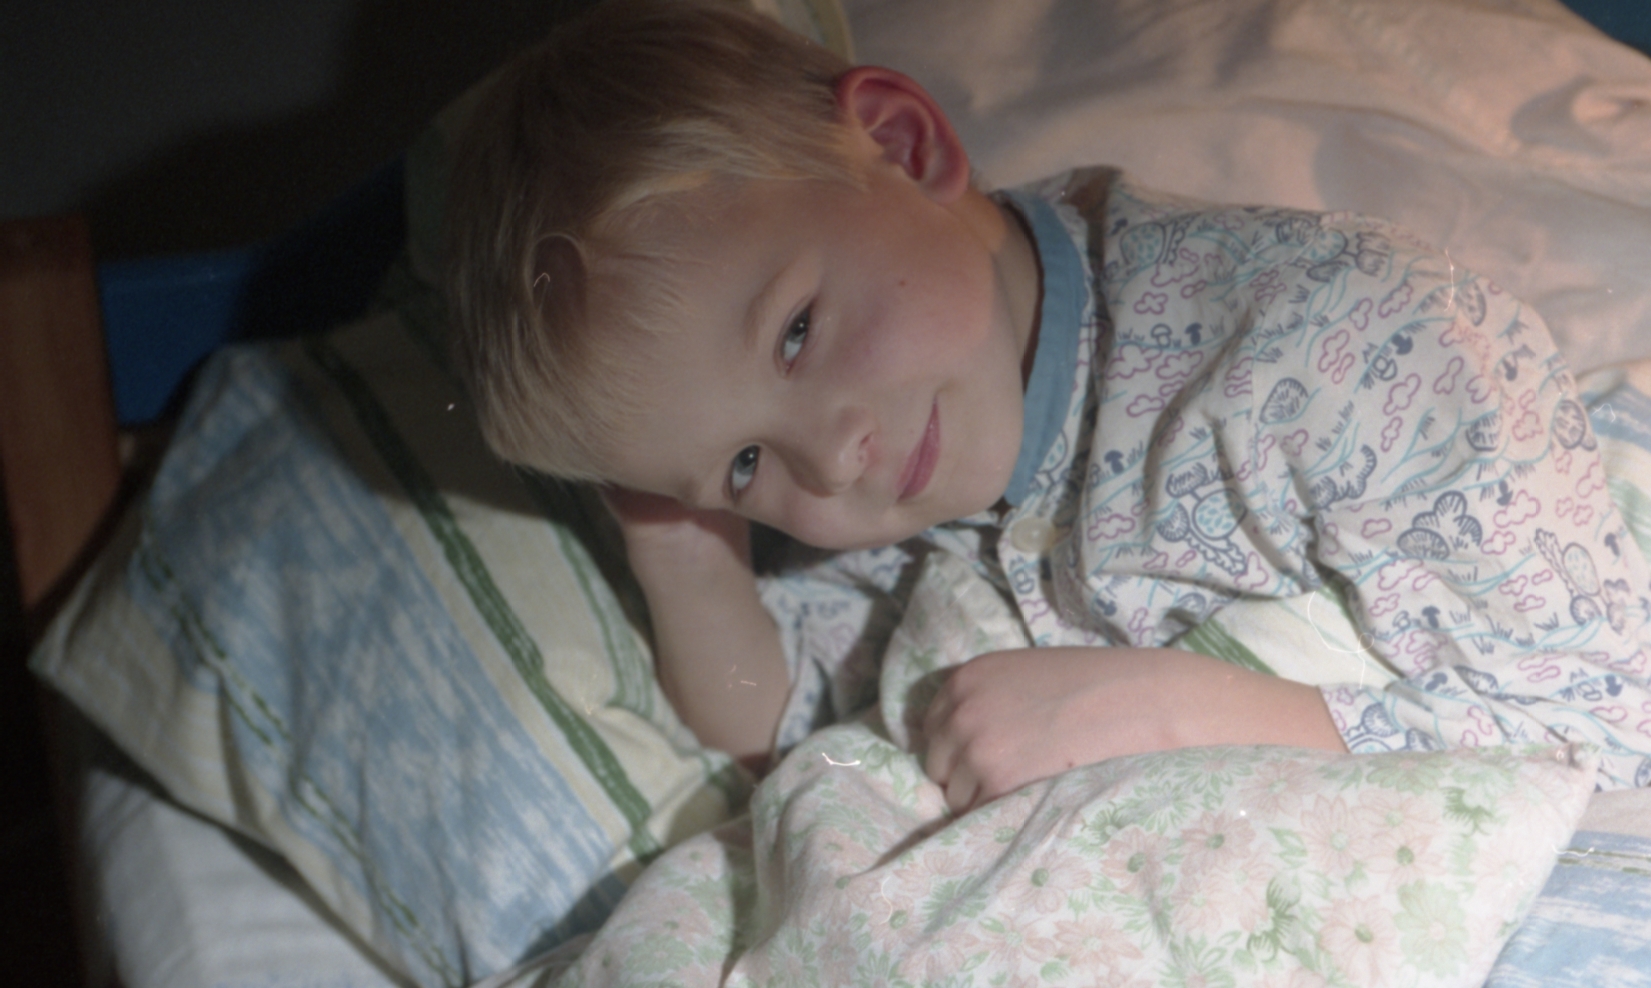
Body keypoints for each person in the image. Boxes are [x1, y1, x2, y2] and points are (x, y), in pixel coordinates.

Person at [444, 0, 1651, 809]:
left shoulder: (1344, 347)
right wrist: (680, 542)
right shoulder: (917, 496)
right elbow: (773, 725)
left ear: (904, 145)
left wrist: (1174, 713)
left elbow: (1606, 723)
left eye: (799, 329)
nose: (833, 458)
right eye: (746, 462)